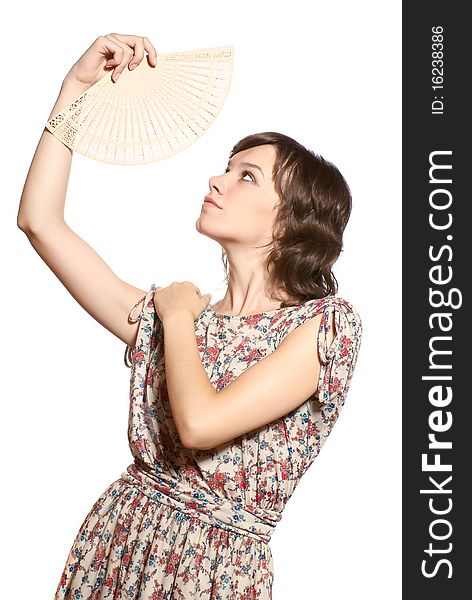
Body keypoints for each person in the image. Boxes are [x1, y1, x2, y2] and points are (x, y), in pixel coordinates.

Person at [17, 33, 363, 599]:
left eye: (247, 176)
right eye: (227, 167)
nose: (217, 179)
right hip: (118, 544)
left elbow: (201, 425)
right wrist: (74, 87)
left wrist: (176, 316)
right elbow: (39, 221)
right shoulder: (179, 314)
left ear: (290, 221)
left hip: (208, 572)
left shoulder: (324, 327)